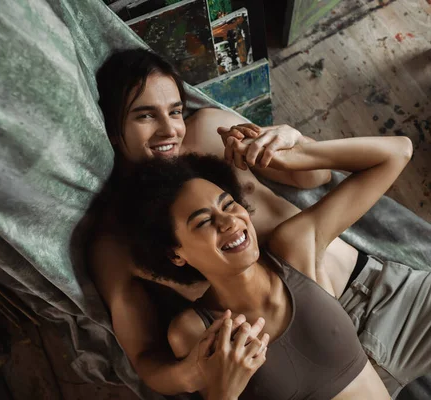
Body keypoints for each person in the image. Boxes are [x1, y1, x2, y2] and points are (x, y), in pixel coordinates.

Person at [88, 48, 403, 396]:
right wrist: (197, 372)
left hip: (361, 293)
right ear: (113, 130)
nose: (169, 130)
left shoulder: (211, 133)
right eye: (145, 116)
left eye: (175, 111)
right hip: (285, 351)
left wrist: (288, 142)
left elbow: (316, 178)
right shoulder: (116, 238)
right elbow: (145, 358)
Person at [117, 136, 413, 399]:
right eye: (204, 221)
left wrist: (296, 155)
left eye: (229, 204)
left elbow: (397, 152)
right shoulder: (196, 331)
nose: (229, 221)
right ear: (175, 254)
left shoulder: (294, 251)